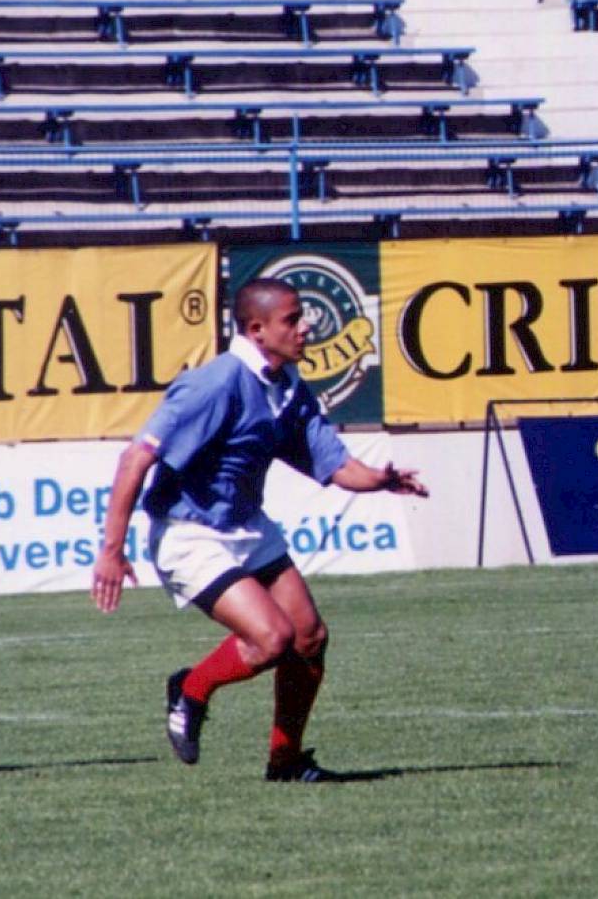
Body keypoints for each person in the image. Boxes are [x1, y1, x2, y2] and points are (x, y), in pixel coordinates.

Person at [91, 278, 429, 781]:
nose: (305, 326)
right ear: (256, 330)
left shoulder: (288, 387)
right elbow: (135, 458)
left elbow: (337, 465)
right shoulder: (215, 383)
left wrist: (382, 480)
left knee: (309, 637)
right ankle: (190, 689)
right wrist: (111, 551)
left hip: (247, 525)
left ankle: (286, 763)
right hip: (189, 532)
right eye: (292, 319)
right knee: (272, 638)